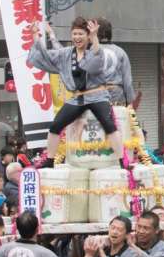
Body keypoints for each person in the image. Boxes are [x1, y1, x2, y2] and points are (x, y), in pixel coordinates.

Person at [28, 18, 126, 161]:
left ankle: (121, 159)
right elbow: (46, 55)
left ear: (87, 36)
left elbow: (98, 59)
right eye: (74, 34)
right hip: (77, 98)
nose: (77, 37)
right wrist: (36, 36)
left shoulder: (95, 51)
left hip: (97, 95)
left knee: (108, 123)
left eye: (81, 34)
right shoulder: (66, 53)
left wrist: (94, 36)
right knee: (55, 125)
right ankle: (49, 160)